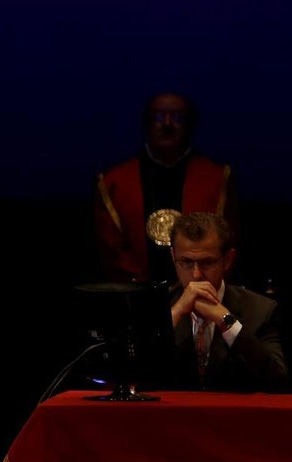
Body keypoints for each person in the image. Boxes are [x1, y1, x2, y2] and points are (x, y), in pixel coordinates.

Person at [95, 92, 240, 286]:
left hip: (203, 290)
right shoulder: (115, 182)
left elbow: (228, 241)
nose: (167, 124)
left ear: (190, 124)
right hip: (135, 294)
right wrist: (142, 291)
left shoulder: (216, 178)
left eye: (177, 117)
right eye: (158, 117)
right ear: (147, 123)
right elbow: (112, 250)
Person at [165, 212, 288, 392]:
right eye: (186, 262)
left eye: (207, 262)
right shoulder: (156, 306)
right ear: (173, 256)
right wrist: (174, 314)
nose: (196, 274)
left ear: (228, 260)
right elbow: (132, 376)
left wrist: (226, 320)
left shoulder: (261, 311)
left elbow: (279, 380)